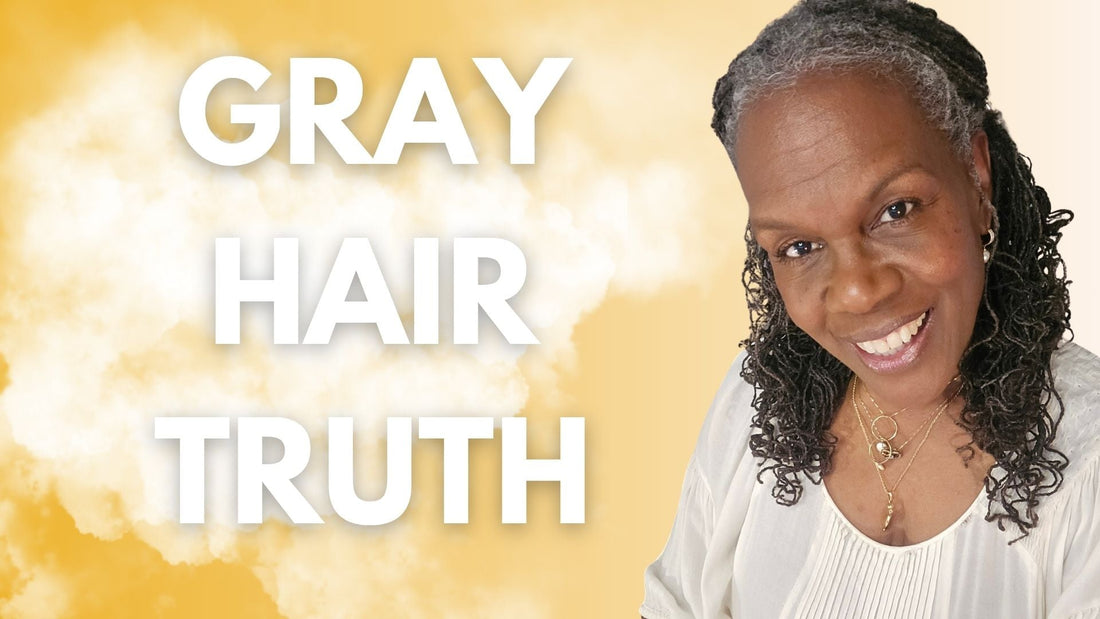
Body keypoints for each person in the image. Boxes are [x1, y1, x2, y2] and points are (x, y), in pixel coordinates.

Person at [640, 1, 1100, 617]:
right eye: (799, 247)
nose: (857, 291)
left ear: (977, 177)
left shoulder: (1089, 459)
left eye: (896, 211)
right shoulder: (756, 404)